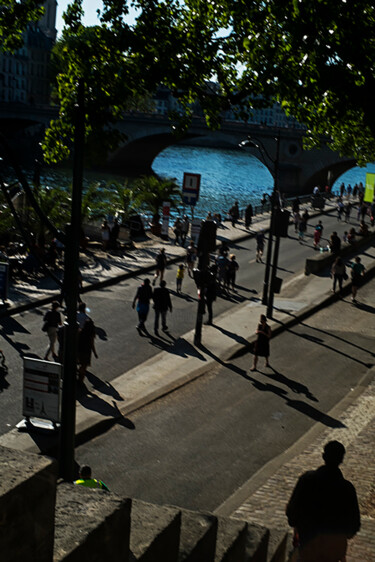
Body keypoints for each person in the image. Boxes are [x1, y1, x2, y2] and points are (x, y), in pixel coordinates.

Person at [286, 441, 360, 562]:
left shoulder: (307, 480)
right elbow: (354, 525)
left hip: (309, 546)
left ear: (324, 456)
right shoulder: (347, 489)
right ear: (341, 460)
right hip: (333, 552)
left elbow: (293, 511)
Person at [77, 317, 98, 383]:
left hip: (80, 350)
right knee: (84, 366)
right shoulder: (91, 334)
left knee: (81, 364)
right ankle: (80, 380)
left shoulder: (80, 331)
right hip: (87, 351)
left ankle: (79, 376)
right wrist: (95, 353)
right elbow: (92, 344)